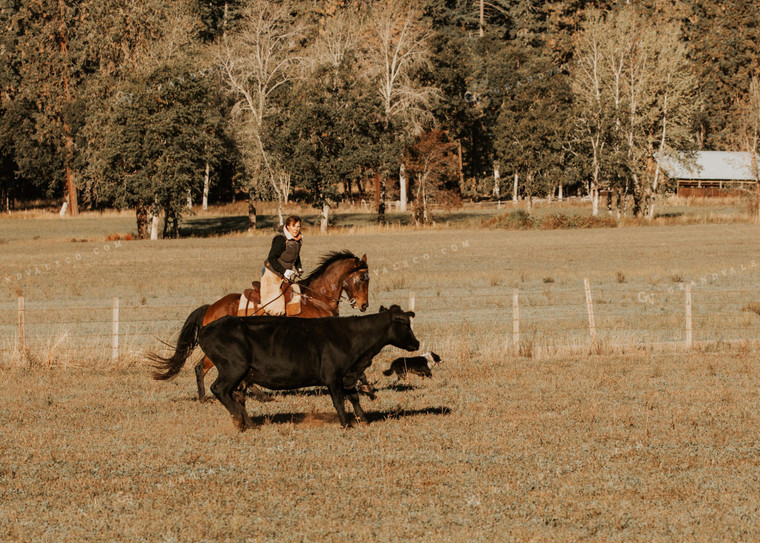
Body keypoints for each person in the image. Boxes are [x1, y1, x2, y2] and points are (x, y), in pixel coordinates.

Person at [260, 215, 303, 315]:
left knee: (296, 296)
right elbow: (271, 258)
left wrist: (299, 267)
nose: (296, 229)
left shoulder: (298, 239)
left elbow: (296, 255)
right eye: (294, 226)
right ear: (287, 226)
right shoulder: (280, 239)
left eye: (298, 226)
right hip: (272, 273)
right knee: (276, 308)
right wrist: (284, 271)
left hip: (285, 275)